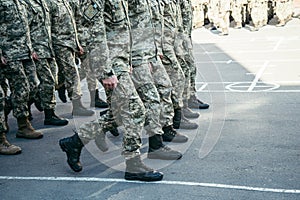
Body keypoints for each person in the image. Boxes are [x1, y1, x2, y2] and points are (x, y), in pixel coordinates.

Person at [59, 0, 163, 182]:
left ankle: (75, 142)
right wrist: (106, 71)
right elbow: (93, 34)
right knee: (134, 109)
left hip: (120, 61)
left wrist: (129, 60)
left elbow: (125, 30)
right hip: (110, 64)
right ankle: (133, 164)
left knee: (120, 114)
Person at [0, 0, 43, 139]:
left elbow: (27, 27)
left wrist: (31, 49)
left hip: (25, 51)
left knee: (33, 86)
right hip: (10, 53)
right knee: (21, 89)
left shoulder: (21, 2)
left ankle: (7, 108)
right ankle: (23, 125)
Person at [24, 0, 68, 126]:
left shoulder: (44, 2)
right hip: (37, 50)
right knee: (46, 81)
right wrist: (30, 49)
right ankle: (49, 114)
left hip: (48, 48)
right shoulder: (26, 4)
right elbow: (24, 27)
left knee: (53, 81)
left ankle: (34, 101)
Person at [47, 0, 94, 116]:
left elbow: (72, 24)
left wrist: (77, 44)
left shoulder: (64, 2)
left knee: (70, 74)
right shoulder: (50, 3)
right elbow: (46, 27)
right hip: (59, 43)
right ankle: (76, 106)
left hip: (69, 43)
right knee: (71, 73)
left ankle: (76, 104)